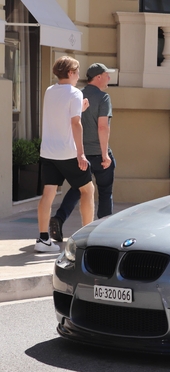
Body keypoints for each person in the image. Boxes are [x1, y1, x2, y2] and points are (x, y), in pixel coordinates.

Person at [49, 63, 115, 242]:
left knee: (79, 189)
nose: (109, 78)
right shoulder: (103, 98)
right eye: (106, 75)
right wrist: (105, 155)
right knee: (104, 191)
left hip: (77, 152)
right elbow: (102, 127)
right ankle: (103, 233)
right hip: (96, 152)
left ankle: (59, 218)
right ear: (98, 77)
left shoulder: (76, 93)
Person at [35, 56, 95, 252]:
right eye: (77, 72)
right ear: (70, 73)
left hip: (48, 151)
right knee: (88, 190)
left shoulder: (49, 91)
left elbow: (60, 114)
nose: (78, 76)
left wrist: (80, 109)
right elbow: (75, 123)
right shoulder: (75, 93)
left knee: (48, 194)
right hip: (68, 152)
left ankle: (43, 240)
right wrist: (81, 153)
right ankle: (87, 240)